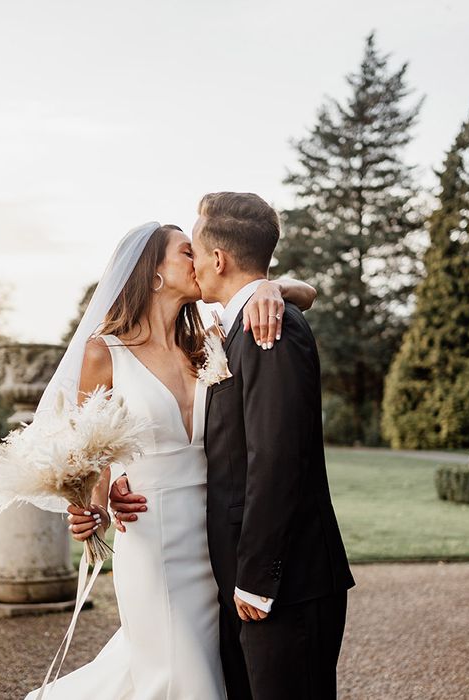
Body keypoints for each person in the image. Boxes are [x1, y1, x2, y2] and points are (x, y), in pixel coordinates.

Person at [25, 219, 316, 700]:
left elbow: (305, 293)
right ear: (153, 273)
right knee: (182, 673)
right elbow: (90, 453)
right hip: (152, 537)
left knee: (202, 666)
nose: (200, 259)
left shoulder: (207, 339)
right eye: (187, 251)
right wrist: (93, 505)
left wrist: (269, 285)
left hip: (216, 537)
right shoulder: (105, 353)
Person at [109, 193, 356, 699]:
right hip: (208, 563)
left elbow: (277, 461)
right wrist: (110, 485)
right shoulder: (222, 333)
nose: (194, 263)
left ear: (217, 260)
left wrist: (259, 578)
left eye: (193, 251)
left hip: (279, 579)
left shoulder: (270, 328)